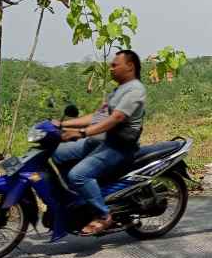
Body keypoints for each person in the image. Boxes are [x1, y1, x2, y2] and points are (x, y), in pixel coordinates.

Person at [53, 50, 147, 235]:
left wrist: (81, 133)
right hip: (100, 142)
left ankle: (104, 215)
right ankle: (76, 198)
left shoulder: (135, 90)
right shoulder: (118, 90)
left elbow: (115, 119)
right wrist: (61, 124)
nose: (111, 68)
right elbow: (97, 117)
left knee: (78, 175)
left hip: (118, 147)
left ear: (130, 66)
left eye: (115, 65)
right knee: (56, 153)